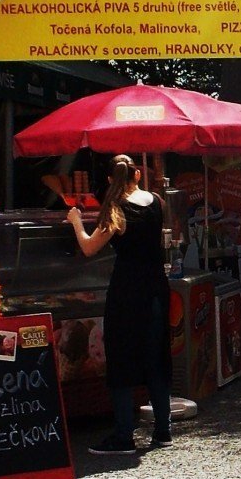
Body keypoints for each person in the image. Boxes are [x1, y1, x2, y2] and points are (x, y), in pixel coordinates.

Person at [67, 154, 172, 457]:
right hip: (155, 288)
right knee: (156, 356)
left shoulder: (115, 210)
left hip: (127, 291)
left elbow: (88, 247)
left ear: (111, 179)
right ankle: (163, 431)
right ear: (137, 175)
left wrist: (76, 221)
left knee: (122, 357)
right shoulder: (155, 201)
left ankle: (124, 435)